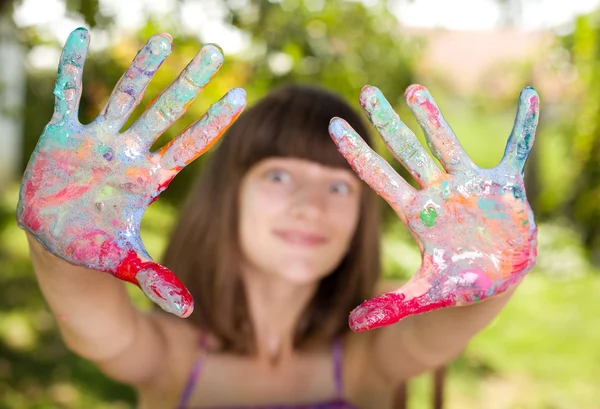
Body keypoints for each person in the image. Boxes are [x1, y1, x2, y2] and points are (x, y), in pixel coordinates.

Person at [17, 27, 539, 409]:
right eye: (279, 176)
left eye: (338, 185)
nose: (309, 205)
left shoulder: (370, 359)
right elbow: (90, 327)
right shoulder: (170, 356)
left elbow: (444, 331)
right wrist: (58, 240)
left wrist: (494, 267)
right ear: (231, 196)